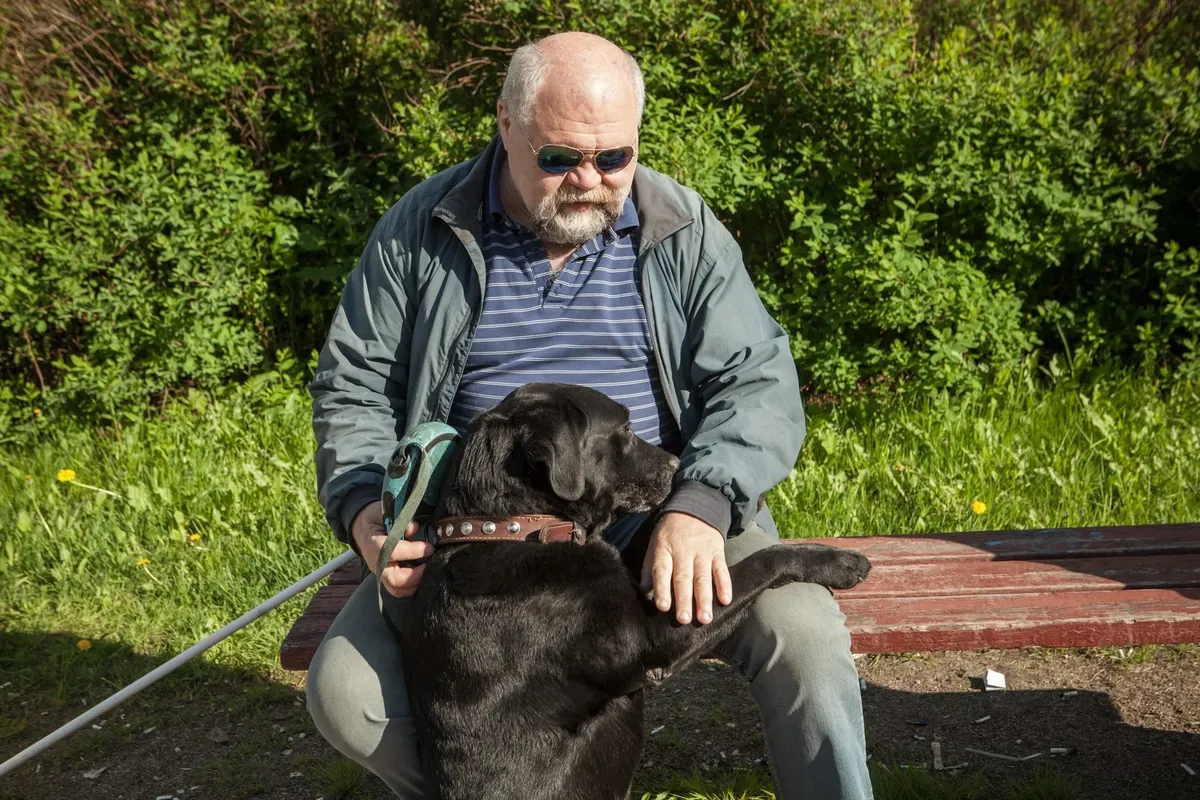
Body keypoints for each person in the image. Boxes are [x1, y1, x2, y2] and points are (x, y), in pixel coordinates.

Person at [305, 31, 872, 800]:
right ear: (505, 123)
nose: (590, 180)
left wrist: (702, 506)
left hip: (663, 502)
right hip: (482, 548)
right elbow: (353, 383)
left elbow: (758, 380)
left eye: (614, 158)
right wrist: (368, 504)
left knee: (803, 639)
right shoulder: (423, 228)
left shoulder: (680, 227)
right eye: (560, 157)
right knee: (344, 694)